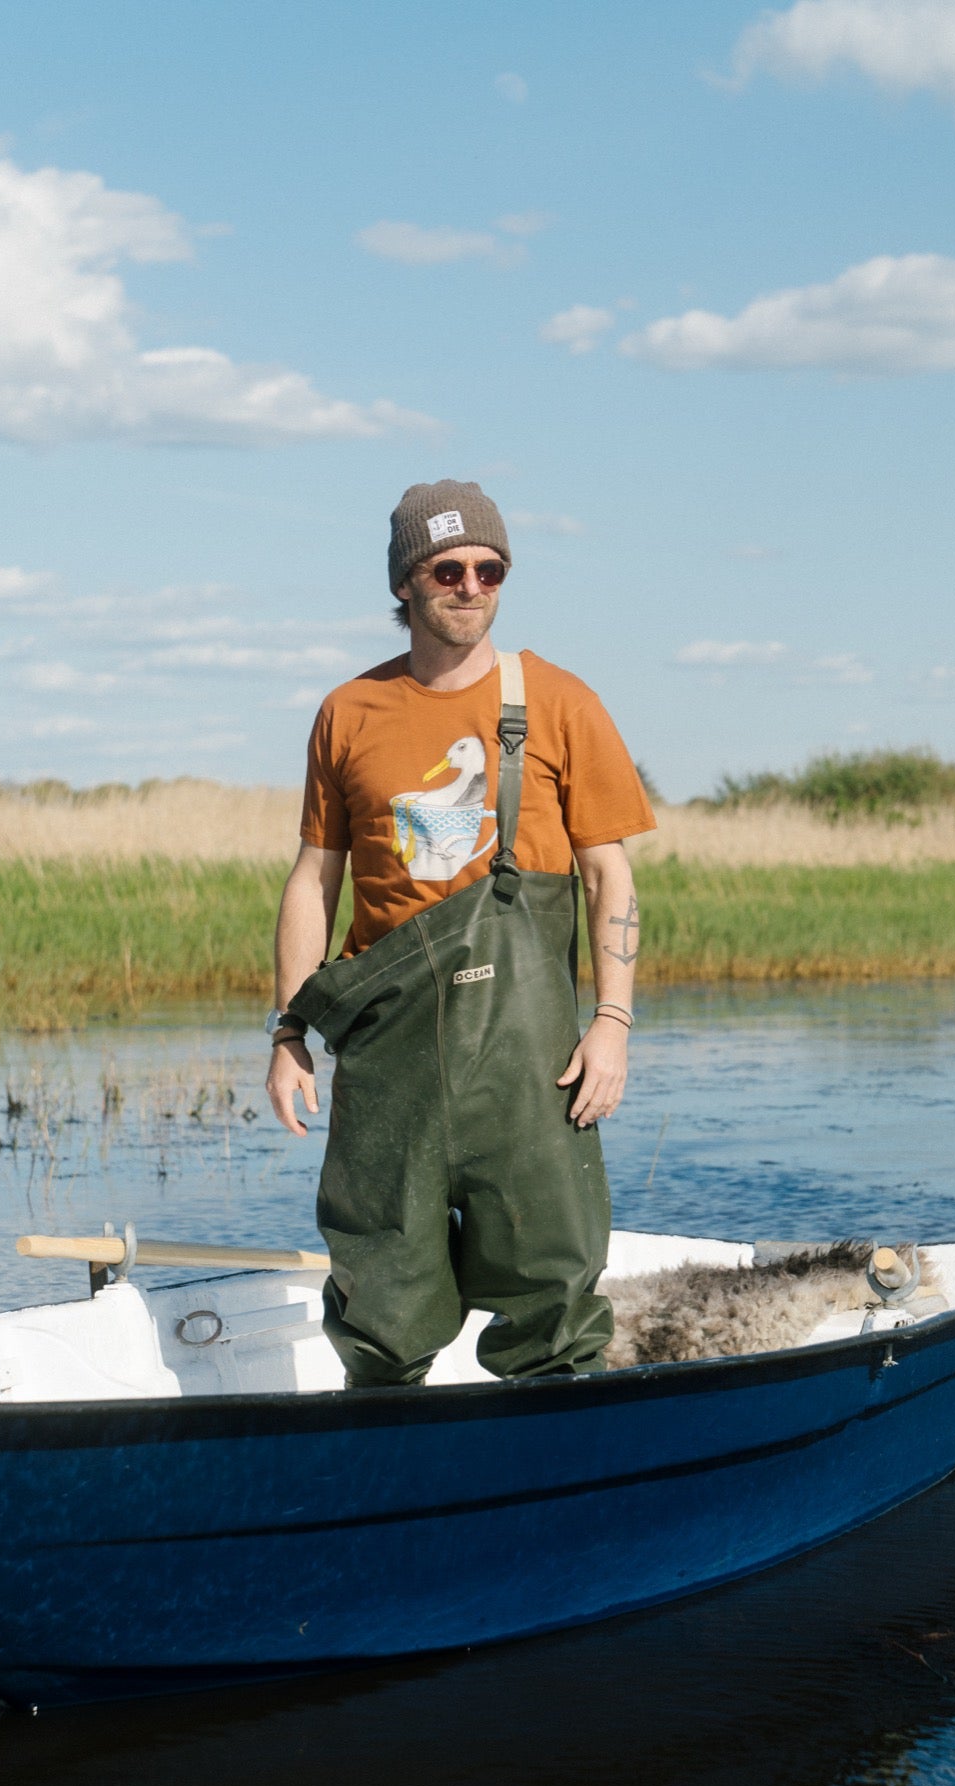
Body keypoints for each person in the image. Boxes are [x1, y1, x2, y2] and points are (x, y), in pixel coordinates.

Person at [265, 479, 656, 1387]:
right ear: (406, 582)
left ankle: (552, 1457)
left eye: (490, 569)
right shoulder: (348, 712)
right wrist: (289, 1031)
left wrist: (612, 1024)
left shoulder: (558, 701)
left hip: (529, 1057)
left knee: (550, 1283)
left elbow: (609, 875)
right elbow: (313, 878)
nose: (471, 585)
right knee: (380, 1291)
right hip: (387, 1052)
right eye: (448, 568)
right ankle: (389, 1471)